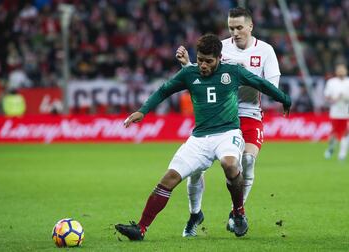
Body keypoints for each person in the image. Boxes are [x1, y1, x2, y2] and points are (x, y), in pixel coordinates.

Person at [115, 34, 291, 241]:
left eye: (208, 61)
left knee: (230, 163)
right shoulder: (189, 73)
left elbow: (261, 84)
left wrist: (284, 99)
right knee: (168, 179)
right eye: (200, 60)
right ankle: (141, 228)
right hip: (199, 139)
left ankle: (239, 212)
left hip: (228, 133)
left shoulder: (232, 71)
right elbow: (164, 91)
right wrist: (143, 111)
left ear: (219, 58)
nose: (203, 65)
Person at [175, 7, 281, 236]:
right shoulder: (221, 48)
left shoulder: (266, 51)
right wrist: (187, 66)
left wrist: (243, 78)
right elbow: (201, 76)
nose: (235, 32)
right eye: (231, 27)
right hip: (217, 115)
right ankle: (195, 213)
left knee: (248, 161)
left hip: (250, 114)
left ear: (250, 26)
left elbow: (273, 89)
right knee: (195, 170)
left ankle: (236, 213)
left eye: (239, 27)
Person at [323, 63, 349, 161]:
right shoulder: (331, 82)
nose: (341, 72)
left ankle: (342, 154)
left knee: (346, 132)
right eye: (340, 70)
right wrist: (333, 99)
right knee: (334, 133)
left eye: (343, 70)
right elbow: (326, 96)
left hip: (346, 111)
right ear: (337, 72)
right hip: (335, 111)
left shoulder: (348, 82)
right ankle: (331, 148)